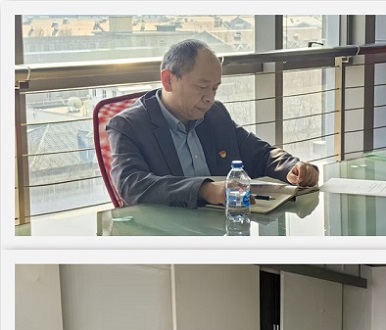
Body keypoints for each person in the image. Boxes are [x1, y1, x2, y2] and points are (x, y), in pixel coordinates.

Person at [107, 39, 319, 208]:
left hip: (222, 226)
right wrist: (205, 190)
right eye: (202, 87)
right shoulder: (127, 126)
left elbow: (259, 154)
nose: (210, 98)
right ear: (168, 80)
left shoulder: (215, 114)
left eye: (215, 88)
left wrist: (293, 167)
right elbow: (131, 185)